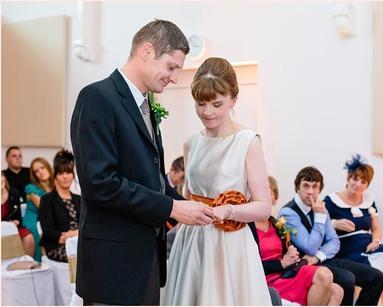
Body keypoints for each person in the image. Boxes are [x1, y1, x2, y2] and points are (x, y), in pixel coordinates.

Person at [70, 19, 214, 305]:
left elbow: (153, 180)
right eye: (171, 67)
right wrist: (173, 208)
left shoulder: (146, 104)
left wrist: (197, 207)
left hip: (145, 259)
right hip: (113, 266)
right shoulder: (97, 98)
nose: (174, 78)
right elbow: (101, 184)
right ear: (146, 51)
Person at [162, 57, 272, 305]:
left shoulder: (248, 141)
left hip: (230, 245)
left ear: (234, 98)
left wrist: (229, 210)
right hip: (192, 241)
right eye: (201, 104)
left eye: (217, 104)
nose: (207, 112)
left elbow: (264, 207)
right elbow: (188, 197)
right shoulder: (192, 142)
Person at [279, 166, 383, 306]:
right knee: (347, 279)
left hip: (320, 259)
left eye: (315, 187)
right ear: (297, 188)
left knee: (376, 277)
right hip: (301, 265)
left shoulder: (320, 207)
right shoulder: (289, 213)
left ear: (320, 189)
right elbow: (309, 247)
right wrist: (319, 216)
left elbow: (334, 241)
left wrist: (318, 256)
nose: (310, 191)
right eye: (305, 186)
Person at [325, 154, 383, 306]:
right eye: (355, 179)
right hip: (346, 250)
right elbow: (318, 227)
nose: (358, 184)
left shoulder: (369, 201)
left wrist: (376, 240)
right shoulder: (331, 201)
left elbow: (376, 228)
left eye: (363, 182)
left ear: (367, 185)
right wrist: (334, 223)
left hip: (368, 246)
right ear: (348, 178)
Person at [250, 176, 343, 305]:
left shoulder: (276, 224)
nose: (263, 196)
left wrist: (291, 254)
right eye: (259, 193)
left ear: (275, 199)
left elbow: (334, 241)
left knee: (337, 290)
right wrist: (281, 263)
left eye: (268, 192)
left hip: (286, 273)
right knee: (324, 275)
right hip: (267, 279)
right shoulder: (247, 227)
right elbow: (248, 265)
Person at [39, 149, 80, 262]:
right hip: (57, 246)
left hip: (79, 242)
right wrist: (66, 237)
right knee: (84, 258)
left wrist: (74, 234)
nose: (65, 177)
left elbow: (86, 225)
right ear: (55, 176)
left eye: (68, 172)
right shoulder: (47, 200)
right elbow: (48, 231)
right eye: (61, 173)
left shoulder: (79, 199)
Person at [22, 157, 54, 261]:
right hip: (34, 220)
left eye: (42, 168)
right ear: (34, 175)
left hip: (49, 218)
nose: (40, 172)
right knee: (40, 229)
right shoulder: (32, 188)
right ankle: (39, 263)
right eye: (36, 171)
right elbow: (44, 208)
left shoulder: (56, 185)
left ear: (48, 167)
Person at [1, 172, 35, 256]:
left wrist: (14, 222)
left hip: (12, 227)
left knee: (28, 237)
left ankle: (27, 264)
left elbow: (18, 218)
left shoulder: (13, 193)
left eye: (1, 176)